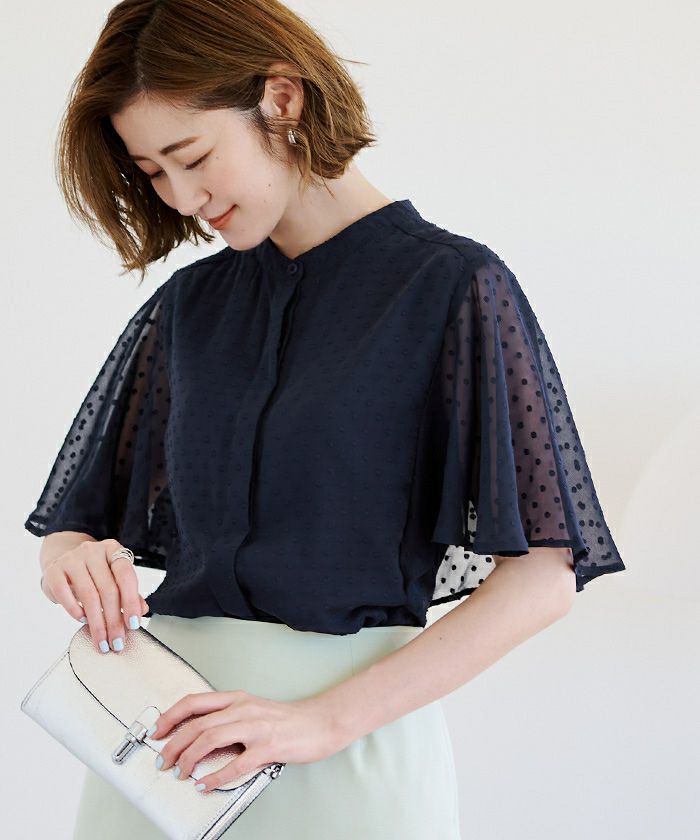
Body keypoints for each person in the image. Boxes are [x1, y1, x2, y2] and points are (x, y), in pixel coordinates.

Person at [25, 1, 626, 838]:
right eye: (154, 172)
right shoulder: (190, 306)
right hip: (161, 759)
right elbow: (75, 523)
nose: (184, 197)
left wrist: (321, 722)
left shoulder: (452, 288)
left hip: (343, 758)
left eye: (193, 157)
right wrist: (73, 558)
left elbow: (544, 577)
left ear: (282, 98)